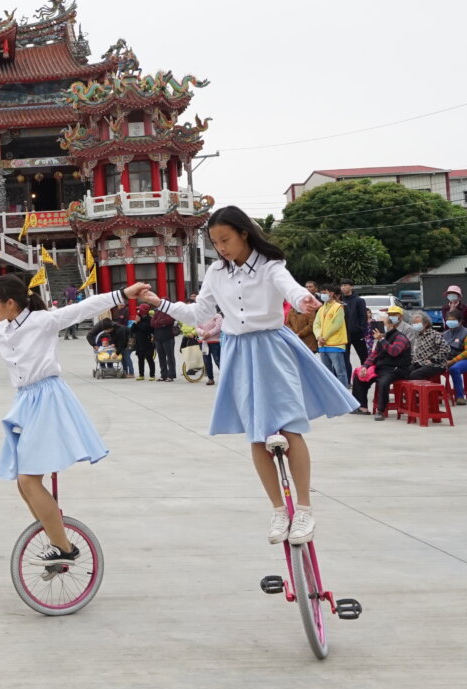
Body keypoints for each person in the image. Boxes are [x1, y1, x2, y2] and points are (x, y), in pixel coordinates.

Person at [138, 206, 354, 545]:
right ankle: (278, 509)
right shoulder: (215, 272)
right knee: (256, 433)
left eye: (225, 239)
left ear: (244, 233)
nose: (221, 247)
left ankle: (305, 508)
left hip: (271, 346)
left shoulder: (270, 266)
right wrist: (159, 302)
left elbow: (290, 288)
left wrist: (303, 300)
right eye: (215, 242)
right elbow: (199, 313)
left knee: (289, 425)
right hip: (237, 350)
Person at [0, 273, 142, 565]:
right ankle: (56, 538)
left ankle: (65, 548)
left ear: (11, 303)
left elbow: (84, 308)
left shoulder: (42, 320)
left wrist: (123, 294)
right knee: (23, 481)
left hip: (47, 398)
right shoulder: (3, 328)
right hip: (25, 401)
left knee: (29, 479)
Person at [352, 306, 412, 419]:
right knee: (359, 375)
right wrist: (365, 366)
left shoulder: (400, 337)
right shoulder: (383, 338)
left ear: (390, 325)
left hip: (397, 369)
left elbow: (394, 352)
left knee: (383, 382)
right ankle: (362, 407)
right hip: (382, 368)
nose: (380, 327)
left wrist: (382, 340)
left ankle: (381, 411)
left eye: (383, 324)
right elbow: (374, 354)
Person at [312, 287, 350, 387]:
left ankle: (343, 392)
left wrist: (324, 337)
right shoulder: (321, 308)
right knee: (327, 372)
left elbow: (336, 325)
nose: (323, 295)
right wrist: (318, 336)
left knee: (340, 371)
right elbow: (316, 324)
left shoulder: (338, 307)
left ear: (331, 293)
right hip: (322, 345)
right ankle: (331, 392)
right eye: (321, 293)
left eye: (325, 292)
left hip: (335, 344)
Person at [442, 318, 467, 399]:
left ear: (460, 321)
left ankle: (459, 397)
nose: (450, 322)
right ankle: (437, 395)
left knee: (454, 369)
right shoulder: (445, 334)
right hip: (451, 359)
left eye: (453, 320)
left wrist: (452, 361)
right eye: (449, 320)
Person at [339, 282, 369, 369]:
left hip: (357, 333)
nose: (343, 287)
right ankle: (347, 380)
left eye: (345, 285)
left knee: (364, 357)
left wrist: (361, 329)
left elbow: (363, 316)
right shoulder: (340, 300)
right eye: (341, 285)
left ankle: (365, 377)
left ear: (351, 287)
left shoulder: (359, 300)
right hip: (343, 334)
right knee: (345, 359)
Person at [286, 281, 319, 351]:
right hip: (295, 339)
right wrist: (294, 334)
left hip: (309, 340)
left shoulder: (310, 308)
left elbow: (311, 324)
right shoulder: (292, 310)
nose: (308, 289)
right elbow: (288, 323)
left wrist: (299, 334)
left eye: (310, 287)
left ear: (316, 289)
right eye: (306, 287)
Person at [129, 307, 156, 379]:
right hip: (139, 342)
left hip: (147, 342)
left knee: (149, 358)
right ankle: (141, 375)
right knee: (140, 358)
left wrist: (138, 323)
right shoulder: (138, 319)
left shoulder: (149, 319)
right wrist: (135, 322)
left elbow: (147, 329)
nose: (138, 311)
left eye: (140, 310)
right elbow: (132, 330)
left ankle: (152, 375)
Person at [153, 305, 178, 380]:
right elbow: (152, 323)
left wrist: (158, 322)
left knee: (170, 357)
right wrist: (160, 323)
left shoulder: (170, 312)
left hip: (168, 337)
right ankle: (163, 374)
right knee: (161, 357)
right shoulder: (156, 312)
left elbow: (168, 321)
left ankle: (171, 375)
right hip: (158, 338)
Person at [198, 313, 222, 386]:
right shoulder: (200, 315)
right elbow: (196, 327)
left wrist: (209, 334)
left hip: (214, 341)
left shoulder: (217, 316)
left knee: (218, 360)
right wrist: (203, 333)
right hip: (203, 342)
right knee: (206, 361)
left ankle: (225, 377)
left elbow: (218, 327)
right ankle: (210, 378)